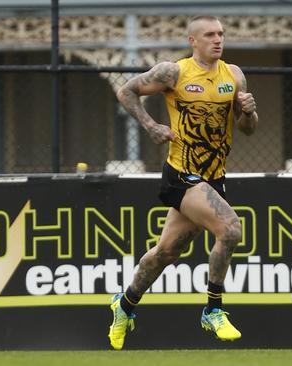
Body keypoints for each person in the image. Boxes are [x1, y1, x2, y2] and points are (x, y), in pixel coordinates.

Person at [109, 15, 258, 350]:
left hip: (214, 177)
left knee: (166, 252)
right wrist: (149, 125)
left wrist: (248, 111)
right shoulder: (173, 72)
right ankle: (213, 309)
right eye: (209, 34)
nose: (217, 40)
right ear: (193, 41)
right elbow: (126, 91)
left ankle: (125, 304)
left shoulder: (234, 75)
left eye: (221, 33)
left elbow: (248, 130)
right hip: (181, 175)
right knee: (230, 229)